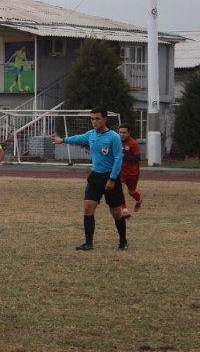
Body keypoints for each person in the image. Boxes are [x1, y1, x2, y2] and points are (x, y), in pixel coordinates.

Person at [53, 106, 127, 251]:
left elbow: (119, 158)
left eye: (97, 119)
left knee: (116, 212)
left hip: (110, 177)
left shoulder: (113, 137)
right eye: (92, 119)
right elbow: (79, 138)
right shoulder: (91, 134)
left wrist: (112, 178)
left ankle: (123, 241)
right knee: (88, 208)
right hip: (95, 176)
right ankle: (88, 243)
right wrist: (63, 140)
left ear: (105, 119)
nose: (94, 122)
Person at [118, 123, 142, 218]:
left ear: (129, 133)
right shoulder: (116, 141)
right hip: (121, 171)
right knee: (119, 190)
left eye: (124, 132)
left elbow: (138, 158)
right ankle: (124, 210)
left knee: (131, 193)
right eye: (120, 132)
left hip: (133, 172)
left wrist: (125, 156)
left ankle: (139, 200)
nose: (122, 134)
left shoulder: (133, 143)